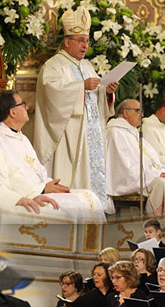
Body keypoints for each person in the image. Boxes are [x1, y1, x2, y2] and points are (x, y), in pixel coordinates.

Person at [33, 7, 116, 210]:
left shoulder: (87, 65)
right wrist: (81, 86)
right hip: (69, 134)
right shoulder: (53, 66)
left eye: (86, 41)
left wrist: (107, 92)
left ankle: (94, 208)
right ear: (67, 41)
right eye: (80, 40)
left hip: (91, 134)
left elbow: (96, 97)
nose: (84, 45)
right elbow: (51, 93)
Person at [0, 90, 102, 219]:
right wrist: (43, 189)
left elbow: (38, 169)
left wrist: (49, 185)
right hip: (25, 197)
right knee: (77, 204)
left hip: (39, 190)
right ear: (12, 112)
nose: (27, 107)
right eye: (22, 104)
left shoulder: (21, 137)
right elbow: (11, 178)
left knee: (88, 196)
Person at [106, 99, 165, 219]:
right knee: (162, 184)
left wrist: (160, 171)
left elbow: (151, 158)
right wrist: (155, 174)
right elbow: (124, 165)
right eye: (138, 111)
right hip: (129, 180)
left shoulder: (132, 132)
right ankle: (159, 224)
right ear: (126, 113)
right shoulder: (115, 132)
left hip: (145, 175)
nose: (141, 115)